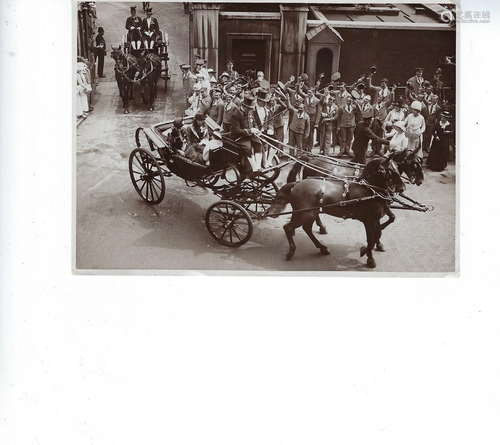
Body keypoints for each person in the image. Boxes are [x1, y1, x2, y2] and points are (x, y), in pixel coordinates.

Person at [229, 94, 265, 173]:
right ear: (244, 106)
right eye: (249, 108)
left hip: (249, 135)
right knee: (248, 148)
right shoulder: (235, 115)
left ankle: (258, 167)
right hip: (239, 137)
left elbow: (254, 122)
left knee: (258, 144)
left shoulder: (250, 112)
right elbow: (236, 131)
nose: (250, 110)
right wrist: (250, 131)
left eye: (251, 108)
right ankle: (254, 168)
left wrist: (256, 129)